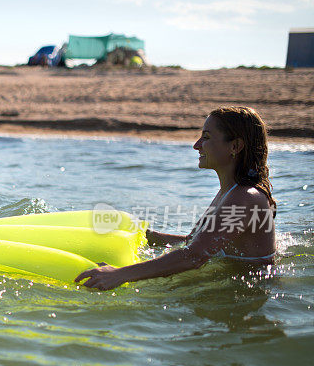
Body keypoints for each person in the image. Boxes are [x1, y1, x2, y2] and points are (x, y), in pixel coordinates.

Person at [76, 106, 276, 291]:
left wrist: (120, 274)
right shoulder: (230, 192)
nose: (196, 145)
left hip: (246, 292)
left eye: (206, 137)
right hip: (232, 284)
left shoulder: (245, 197)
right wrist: (147, 236)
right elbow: (195, 242)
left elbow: (194, 256)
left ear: (235, 146)